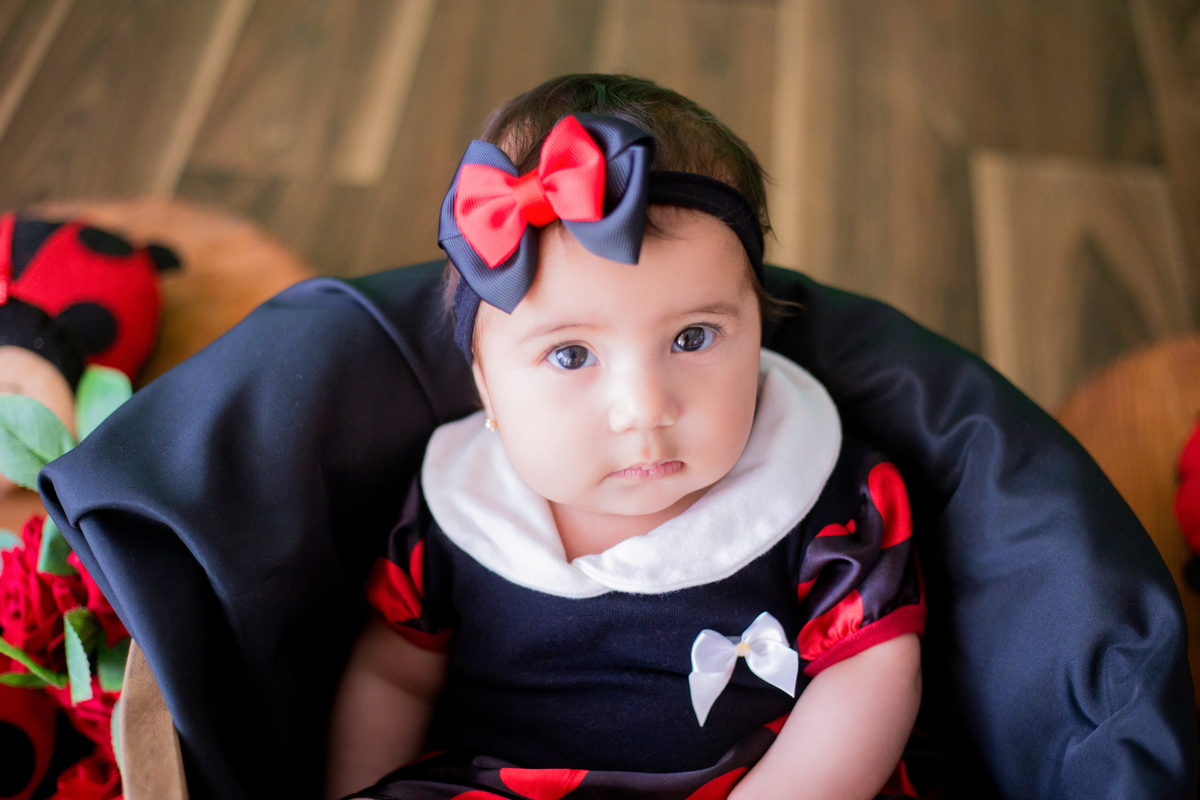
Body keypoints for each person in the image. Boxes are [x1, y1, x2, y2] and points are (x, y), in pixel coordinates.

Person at [325, 74, 926, 800]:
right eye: (571, 355)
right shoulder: (458, 509)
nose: (644, 409)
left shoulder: (816, 492)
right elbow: (394, 677)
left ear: (760, 333)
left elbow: (871, 673)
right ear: (486, 385)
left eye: (693, 337)